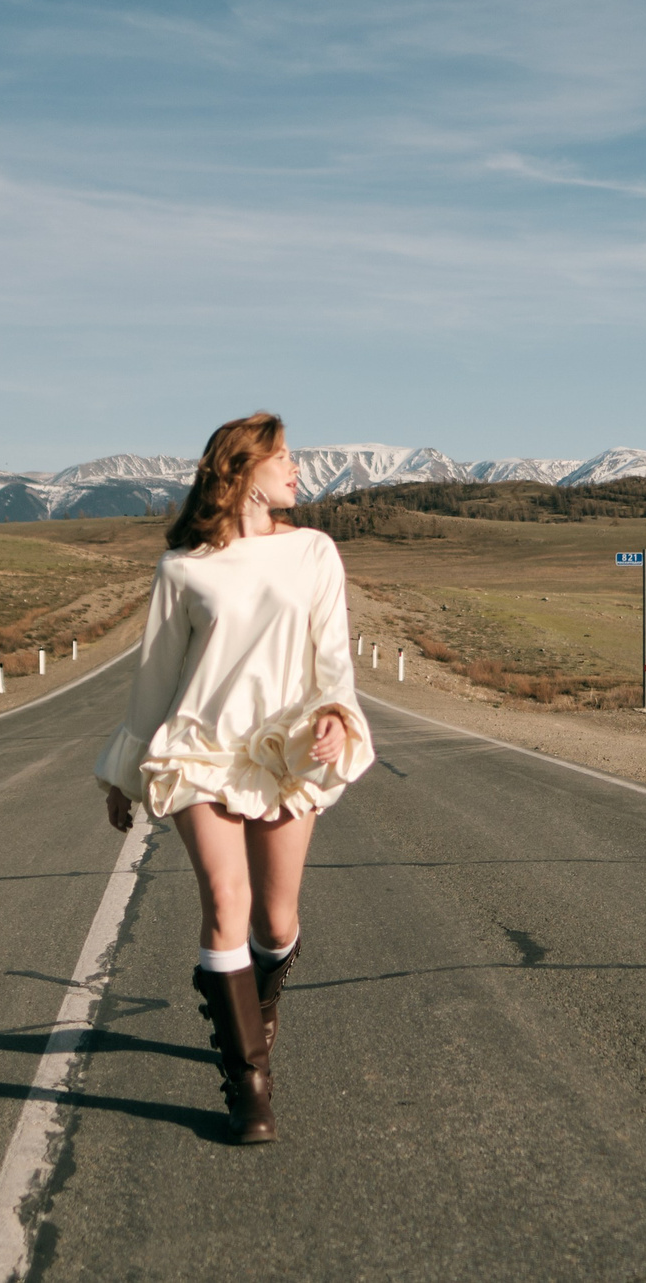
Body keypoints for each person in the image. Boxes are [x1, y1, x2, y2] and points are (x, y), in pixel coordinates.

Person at [95, 411, 374, 1144]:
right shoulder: (183, 567)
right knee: (226, 897)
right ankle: (248, 1082)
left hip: (284, 751)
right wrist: (123, 773)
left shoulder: (315, 552)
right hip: (200, 749)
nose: (298, 471)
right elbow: (154, 681)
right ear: (242, 470)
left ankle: (254, 995)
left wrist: (337, 716)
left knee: (275, 921)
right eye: (284, 458)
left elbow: (332, 656)